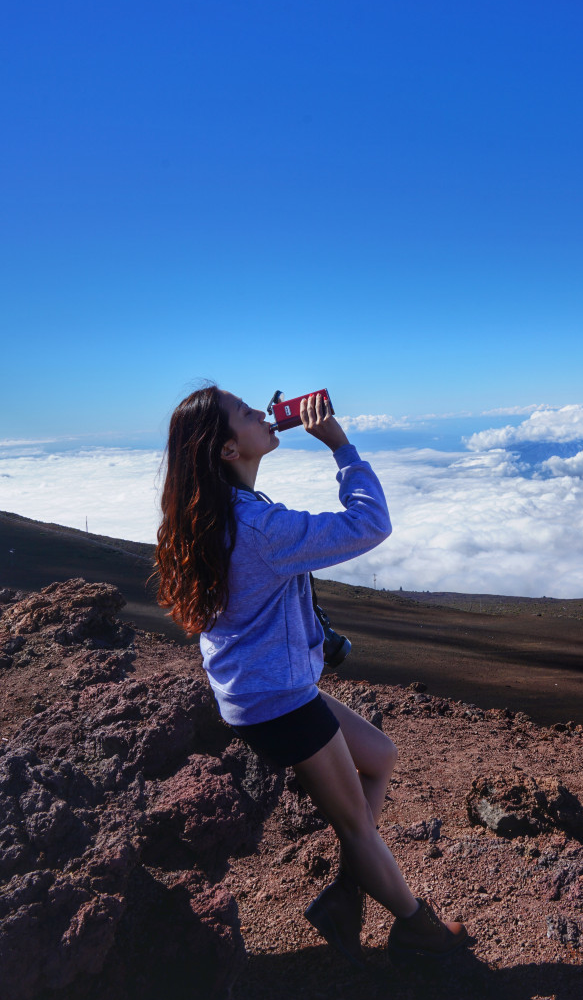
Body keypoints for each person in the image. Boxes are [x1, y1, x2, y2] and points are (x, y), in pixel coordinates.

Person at [154, 384, 470, 969]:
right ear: (227, 449)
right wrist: (340, 447)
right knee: (356, 825)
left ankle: (352, 889)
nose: (265, 414)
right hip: (277, 702)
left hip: (266, 690)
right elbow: (371, 524)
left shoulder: (213, 513)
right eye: (248, 414)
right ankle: (417, 928)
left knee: (379, 754)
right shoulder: (258, 527)